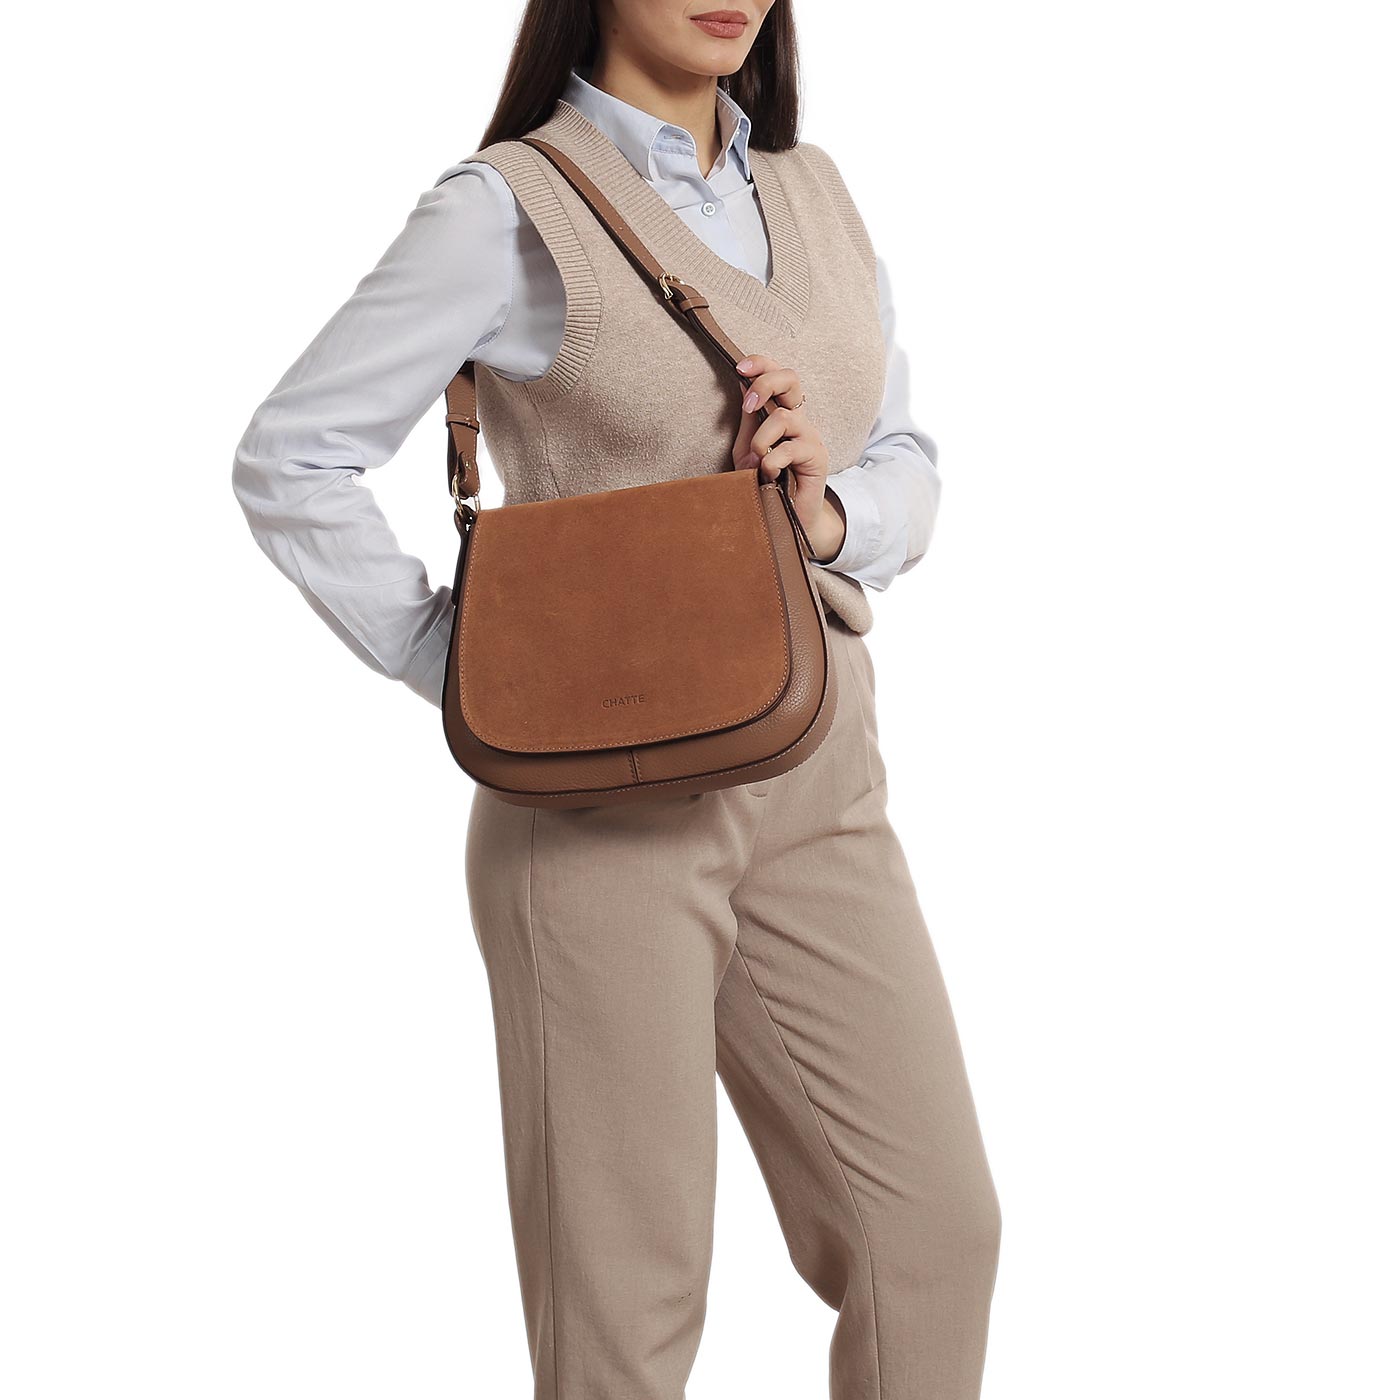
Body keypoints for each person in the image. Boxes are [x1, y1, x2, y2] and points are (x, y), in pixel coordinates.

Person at [231, 3, 1000, 1396]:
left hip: (824, 778)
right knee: (628, 1318)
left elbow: (903, 453)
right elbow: (292, 458)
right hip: (603, 812)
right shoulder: (506, 208)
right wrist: (470, 670)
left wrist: (828, 515)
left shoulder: (814, 192)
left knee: (935, 1236)